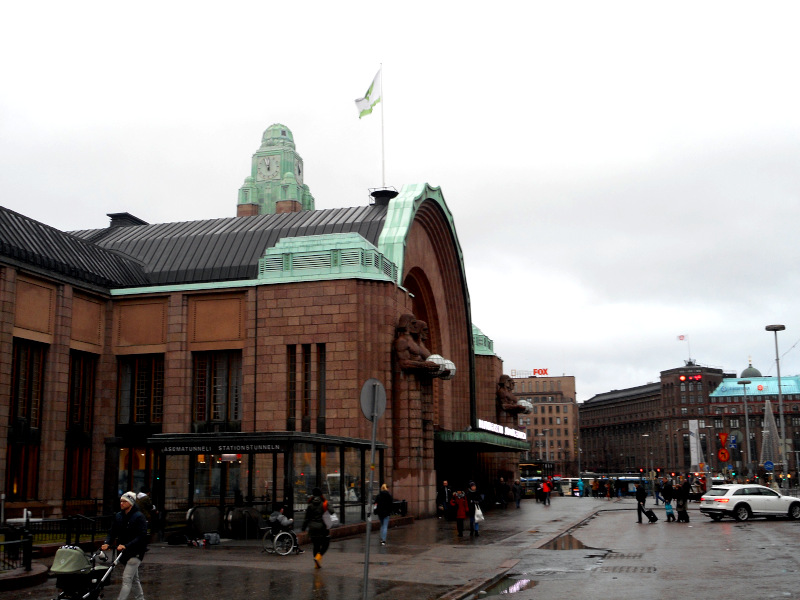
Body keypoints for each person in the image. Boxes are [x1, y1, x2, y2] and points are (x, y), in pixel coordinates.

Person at [101, 492, 148, 600]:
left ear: (131, 503)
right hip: (124, 553)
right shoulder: (119, 516)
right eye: (121, 501)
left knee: (127, 579)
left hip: (136, 552)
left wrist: (126, 545)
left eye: (124, 501)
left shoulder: (139, 517)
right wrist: (107, 543)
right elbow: (112, 532)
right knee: (134, 579)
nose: (121, 503)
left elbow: (141, 536)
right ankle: (140, 599)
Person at [301, 487, 334, 568]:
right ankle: (318, 557)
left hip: (312, 528)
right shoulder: (324, 503)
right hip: (322, 528)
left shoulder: (310, 504)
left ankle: (316, 565)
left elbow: (306, 518)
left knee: (316, 545)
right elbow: (332, 511)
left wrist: (303, 528)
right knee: (326, 544)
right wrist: (327, 504)